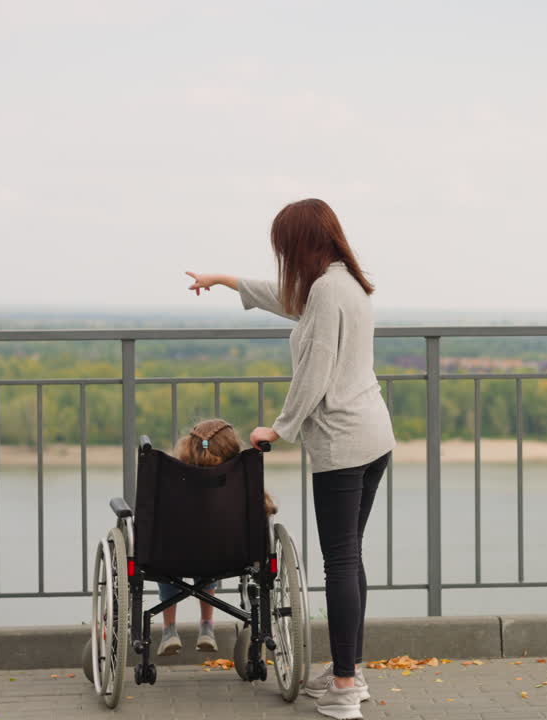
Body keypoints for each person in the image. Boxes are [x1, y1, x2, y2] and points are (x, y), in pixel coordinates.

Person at [186, 198, 394, 720]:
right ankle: (353, 669)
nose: (282, 256)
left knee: (341, 560)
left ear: (301, 243)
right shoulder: (346, 283)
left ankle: (345, 686)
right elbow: (288, 300)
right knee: (351, 556)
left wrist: (278, 428)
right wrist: (228, 281)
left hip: (343, 445)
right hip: (373, 437)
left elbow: (315, 370)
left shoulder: (327, 291)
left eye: (284, 246)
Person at [156, 418, 279, 657]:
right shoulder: (241, 479)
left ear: (188, 446)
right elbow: (265, 510)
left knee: (169, 561)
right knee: (210, 553)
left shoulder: (173, 479)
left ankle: (169, 630)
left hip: (173, 556)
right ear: (232, 448)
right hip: (226, 555)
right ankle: (206, 627)